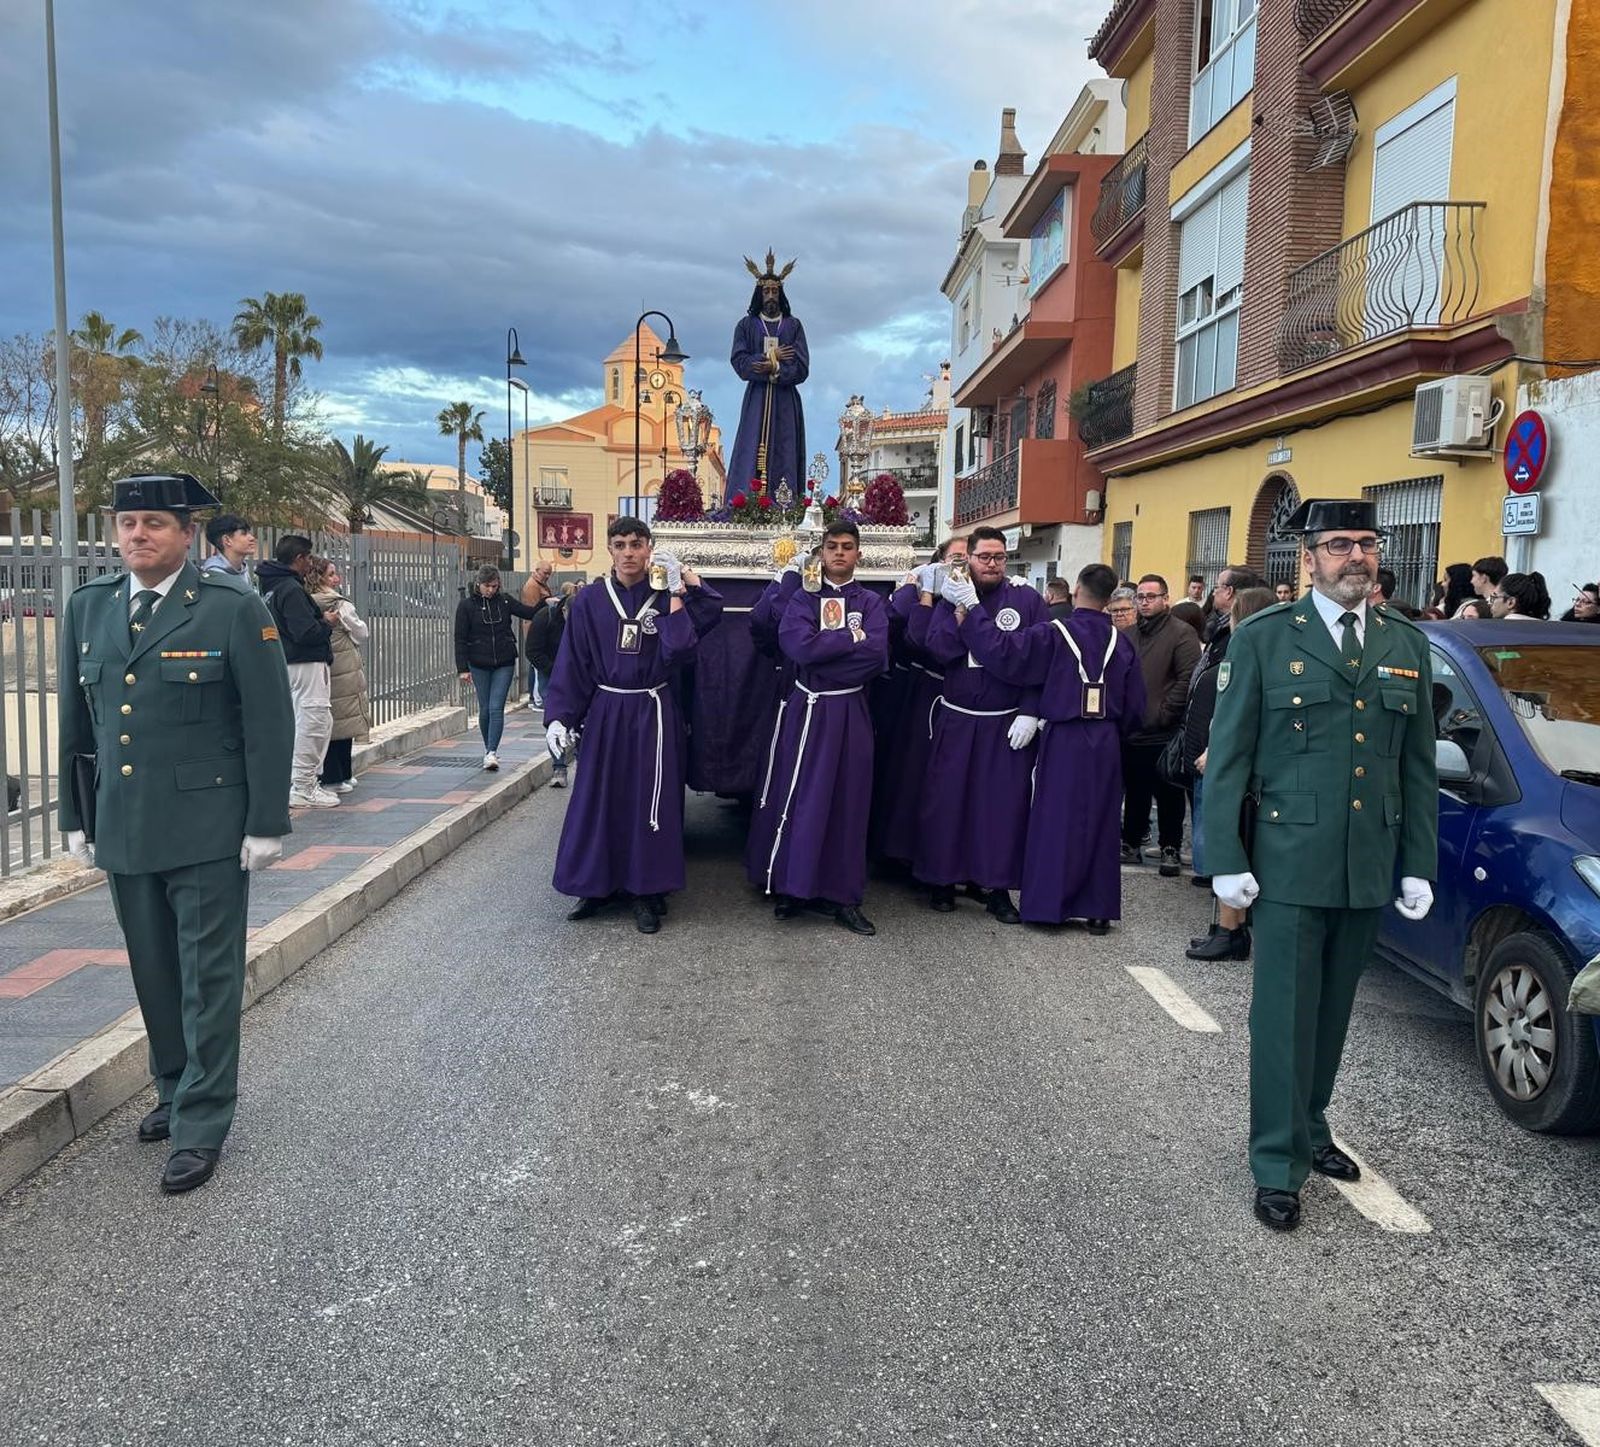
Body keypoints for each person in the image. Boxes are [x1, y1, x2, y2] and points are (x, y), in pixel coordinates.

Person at [1203, 498, 1437, 1231]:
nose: (1355, 557)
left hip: (1366, 862)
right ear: (1308, 559)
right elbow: (1230, 758)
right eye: (1338, 545)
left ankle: (1310, 1123)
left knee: (1333, 1014)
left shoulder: (1405, 640)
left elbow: (1418, 766)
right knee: (1282, 1018)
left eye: (1366, 543)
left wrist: (1416, 863)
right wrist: (1225, 858)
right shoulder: (1268, 638)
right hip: (1291, 861)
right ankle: (1276, 1160)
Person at [58, 473, 294, 1195]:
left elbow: (268, 719)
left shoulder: (229, 606)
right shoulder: (89, 607)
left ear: (188, 534)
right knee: (154, 972)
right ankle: (172, 1088)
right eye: (127, 523)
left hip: (208, 827)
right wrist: (74, 815)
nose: (138, 535)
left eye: (154, 522)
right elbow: (77, 722)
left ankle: (202, 1120)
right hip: (126, 825)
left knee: (207, 978)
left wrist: (264, 822)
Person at [546, 518, 724, 933]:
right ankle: (597, 885)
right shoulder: (589, 601)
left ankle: (647, 890)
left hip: (653, 709)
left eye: (637, 544)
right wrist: (560, 716)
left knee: (650, 800)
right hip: (607, 710)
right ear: (610, 550)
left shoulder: (665, 594)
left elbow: (712, 609)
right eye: (621, 544)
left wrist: (686, 578)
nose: (629, 552)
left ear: (649, 548)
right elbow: (572, 663)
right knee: (600, 799)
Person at [957, 563, 1144, 933]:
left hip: (1065, 735)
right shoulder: (1122, 643)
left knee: (1055, 820)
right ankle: (1098, 909)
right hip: (1105, 739)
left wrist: (974, 612)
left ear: (1076, 591)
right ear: (1110, 599)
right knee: (1102, 822)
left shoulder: (1054, 634)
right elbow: (1137, 705)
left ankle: (1049, 907)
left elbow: (1006, 653)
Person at [747, 520, 888, 935]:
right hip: (807, 712)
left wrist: (828, 652)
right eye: (832, 546)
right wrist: (849, 638)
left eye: (847, 546)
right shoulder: (803, 599)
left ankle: (843, 895)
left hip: (849, 712)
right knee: (799, 798)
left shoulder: (873, 603)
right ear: (821, 553)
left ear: (858, 554)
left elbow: (876, 656)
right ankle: (794, 887)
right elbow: (797, 647)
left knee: (848, 802)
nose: (839, 553)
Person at [911, 526, 1046, 923]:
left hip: (1004, 723)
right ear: (968, 558)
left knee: (1002, 808)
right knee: (947, 802)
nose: (992, 564)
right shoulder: (952, 594)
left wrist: (1031, 710)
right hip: (958, 719)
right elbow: (940, 650)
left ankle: (998, 887)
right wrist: (956, 611)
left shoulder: (1025, 600)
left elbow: (1037, 661)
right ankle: (941, 880)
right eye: (984, 556)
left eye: (999, 557)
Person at [1181, 586, 1276, 959]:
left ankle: (1229, 930)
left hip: (1237, 768)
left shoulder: (1245, 652)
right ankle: (1224, 928)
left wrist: (1213, 752)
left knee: (1228, 845)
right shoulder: (1268, 653)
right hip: (1247, 766)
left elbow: (1233, 715)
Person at [870, 536, 968, 868]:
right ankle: (904, 852)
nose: (961, 565)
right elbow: (917, 639)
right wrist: (924, 592)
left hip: (964, 700)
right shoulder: (928, 594)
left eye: (967, 558)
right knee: (913, 775)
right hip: (926, 694)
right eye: (955, 558)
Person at [1121, 574, 1201, 876]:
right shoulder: (1128, 634)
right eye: (1140, 596)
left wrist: (1165, 713)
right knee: (1136, 790)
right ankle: (1130, 842)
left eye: (1151, 596)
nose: (1144, 601)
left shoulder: (1182, 633)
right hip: (1132, 729)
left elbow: (1187, 679)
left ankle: (1170, 846)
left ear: (1165, 599)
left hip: (1164, 730)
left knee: (1168, 793)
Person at [257, 534, 340, 809]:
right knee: (313, 722)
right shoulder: (290, 589)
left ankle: (298, 783)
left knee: (302, 723)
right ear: (299, 559)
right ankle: (304, 786)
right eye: (308, 558)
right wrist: (326, 622)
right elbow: (305, 632)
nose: (310, 565)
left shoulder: (271, 587)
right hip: (305, 663)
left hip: (288, 662)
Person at [728, 250, 810, 493]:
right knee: (752, 446)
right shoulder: (746, 326)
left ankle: (785, 502)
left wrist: (774, 368)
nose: (771, 296)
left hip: (786, 401)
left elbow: (802, 367)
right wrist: (769, 359)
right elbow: (739, 362)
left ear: (781, 293)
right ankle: (747, 503)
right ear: (759, 294)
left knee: (785, 449)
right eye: (766, 291)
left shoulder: (793, 326)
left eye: (775, 291)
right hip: (757, 397)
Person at [455, 564, 544, 770]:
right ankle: (488, 749)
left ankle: (492, 751)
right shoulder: (467, 606)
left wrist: (545, 602)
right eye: (487, 586)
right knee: (485, 709)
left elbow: (528, 613)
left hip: (504, 661)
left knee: (496, 708)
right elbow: (459, 638)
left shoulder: (504, 601)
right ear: (478, 584)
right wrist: (463, 668)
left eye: (495, 586)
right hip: (478, 663)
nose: (491, 590)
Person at [306, 556, 370, 795]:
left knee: (330, 718)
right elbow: (361, 631)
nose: (337, 578)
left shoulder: (308, 601)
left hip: (323, 664)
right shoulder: (338, 603)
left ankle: (334, 773)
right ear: (321, 577)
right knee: (346, 720)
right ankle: (339, 774)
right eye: (332, 574)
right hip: (344, 664)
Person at [527, 583, 575, 786]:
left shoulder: (584, 619)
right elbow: (533, 651)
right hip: (551, 674)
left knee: (581, 722)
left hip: (578, 674)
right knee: (555, 720)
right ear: (564, 610)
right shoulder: (544, 618)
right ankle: (559, 768)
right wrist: (554, 670)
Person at [521, 561, 556, 706]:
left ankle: (535, 697)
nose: (547, 576)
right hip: (534, 629)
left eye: (549, 573)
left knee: (535, 665)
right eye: (545, 573)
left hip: (539, 629)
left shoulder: (540, 584)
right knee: (536, 664)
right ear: (536, 571)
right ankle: (535, 698)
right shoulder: (532, 586)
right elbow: (533, 612)